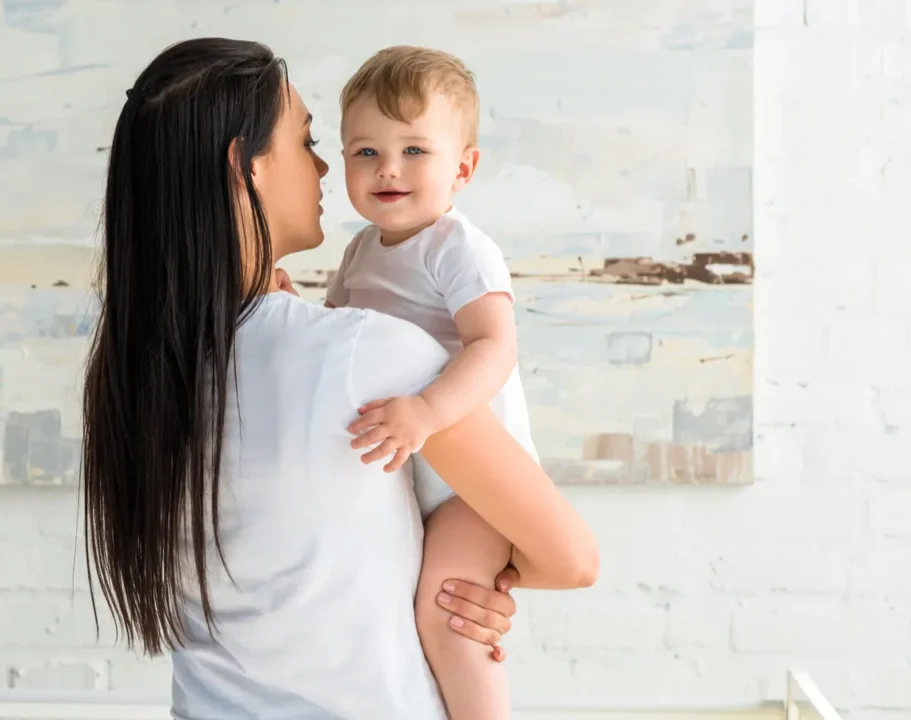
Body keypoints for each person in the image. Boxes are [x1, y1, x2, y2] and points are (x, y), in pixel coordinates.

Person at [81, 37, 598, 720]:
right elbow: (572, 559)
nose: (327, 165)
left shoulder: (137, 373)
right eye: (308, 141)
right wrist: (473, 590)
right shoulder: (369, 356)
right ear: (247, 167)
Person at [325, 45, 536, 718]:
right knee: (400, 614)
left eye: (415, 150)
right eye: (366, 152)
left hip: (475, 482)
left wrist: (425, 410)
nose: (388, 168)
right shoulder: (359, 252)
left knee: (450, 612)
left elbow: (495, 346)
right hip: (416, 476)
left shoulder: (457, 247)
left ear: (463, 168)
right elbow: (334, 338)